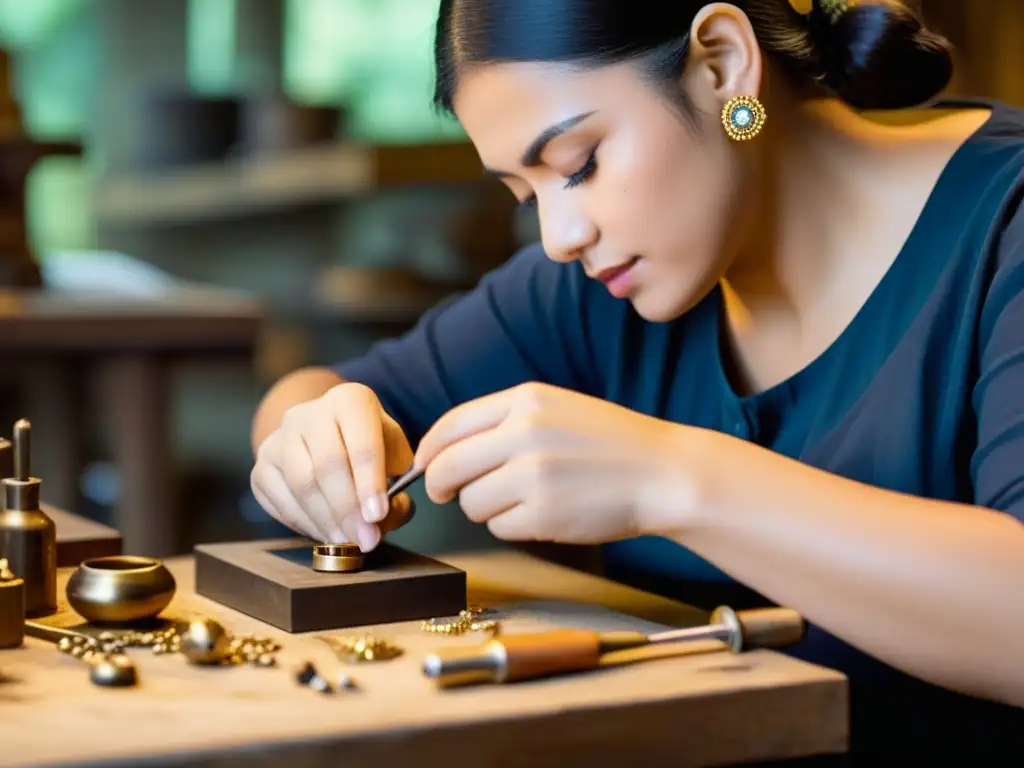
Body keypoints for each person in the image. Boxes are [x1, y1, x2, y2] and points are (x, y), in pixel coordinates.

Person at [249, 0, 1024, 758]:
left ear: (722, 64)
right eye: (525, 193)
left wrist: (671, 481)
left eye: (578, 165)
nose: (559, 235)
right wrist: (316, 436)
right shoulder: (593, 288)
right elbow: (318, 392)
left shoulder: (1003, 226)